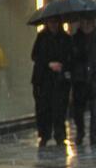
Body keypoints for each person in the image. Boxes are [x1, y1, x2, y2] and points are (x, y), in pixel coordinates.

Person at [31, 17, 72, 147]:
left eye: (55, 22)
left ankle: (59, 134)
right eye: (51, 22)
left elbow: (70, 58)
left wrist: (62, 66)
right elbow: (35, 55)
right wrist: (48, 63)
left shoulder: (65, 38)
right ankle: (44, 134)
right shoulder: (42, 37)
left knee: (59, 108)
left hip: (59, 80)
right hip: (43, 79)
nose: (53, 25)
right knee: (44, 108)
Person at [71, 14, 96, 147]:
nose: (86, 25)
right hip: (80, 79)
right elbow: (72, 58)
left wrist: (93, 68)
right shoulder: (75, 39)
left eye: (89, 22)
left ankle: (93, 135)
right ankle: (80, 132)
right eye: (84, 22)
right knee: (78, 109)